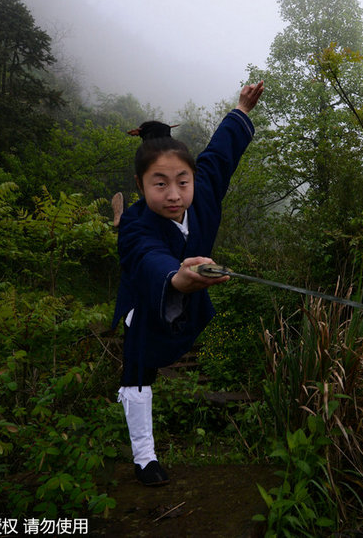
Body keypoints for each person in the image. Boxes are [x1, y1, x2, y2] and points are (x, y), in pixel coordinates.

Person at [112, 80, 264, 486]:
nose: (174, 194)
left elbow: (220, 153)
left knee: (166, 348)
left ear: (193, 179)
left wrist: (242, 110)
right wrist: (176, 276)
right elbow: (146, 257)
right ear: (142, 186)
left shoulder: (205, 191)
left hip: (186, 306)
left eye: (183, 181)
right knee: (138, 369)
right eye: (159, 184)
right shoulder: (136, 224)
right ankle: (145, 459)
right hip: (146, 300)